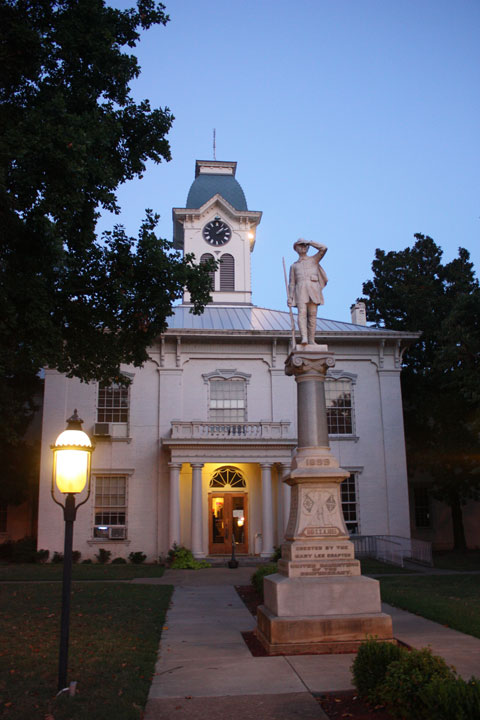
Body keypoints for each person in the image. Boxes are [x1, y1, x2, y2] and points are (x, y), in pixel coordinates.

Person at [287, 239, 328, 345]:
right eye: (301, 246)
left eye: (305, 246)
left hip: (313, 289)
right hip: (300, 290)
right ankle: (304, 338)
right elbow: (292, 283)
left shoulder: (314, 259)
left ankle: (311, 340)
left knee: (312, 315)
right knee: (302, 314)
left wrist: (310, 242)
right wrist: (290, 297)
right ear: (296, 248)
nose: (303, 247)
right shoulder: (294, 266)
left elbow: (324, 248)